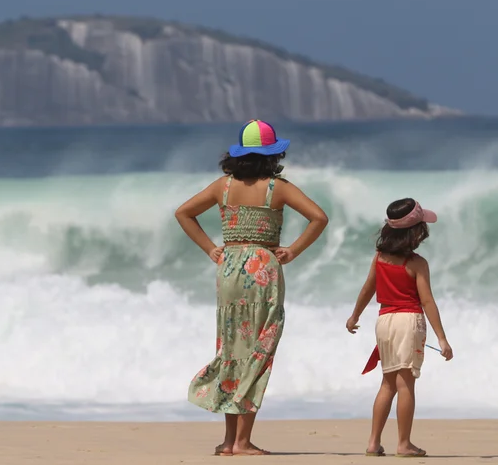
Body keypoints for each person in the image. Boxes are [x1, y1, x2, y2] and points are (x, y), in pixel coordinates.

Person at [175, 119, 328, 456]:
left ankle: (230, 441)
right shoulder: (278, 187)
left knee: (232, 350)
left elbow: (184, 213)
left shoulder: (223, 186)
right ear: (273, 155)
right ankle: (242, 442)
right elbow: (319, 217)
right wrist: (292, 250)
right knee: (258, 352)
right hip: (263, 270)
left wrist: (209, 248)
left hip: (228, 268)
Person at [346, 198, 453, 458]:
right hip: (408, 322)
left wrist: (354, 316)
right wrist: (442, 338)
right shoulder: (417, 264)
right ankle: (404, 444)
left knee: (387, 384)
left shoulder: (379, 258)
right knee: (406, 385)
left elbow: (368, 288)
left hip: (384, 322)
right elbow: (427, 301)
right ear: (415, 233)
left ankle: (373, 442)